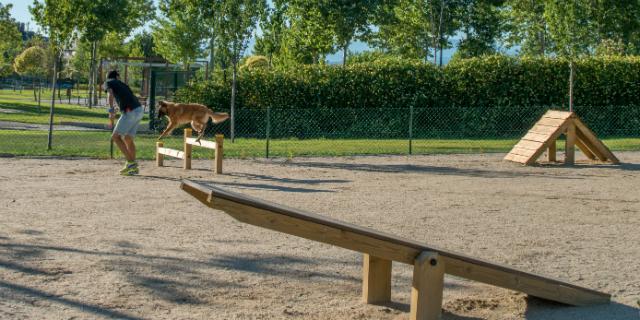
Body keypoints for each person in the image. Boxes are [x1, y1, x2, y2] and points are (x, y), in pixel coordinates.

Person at [104, 70, 144, 176]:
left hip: (130, 111)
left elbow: (110, 94)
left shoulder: (108, 82)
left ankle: (131, 163)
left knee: (116, 137)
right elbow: (126, 98)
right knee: (128, 138)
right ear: (117, 76)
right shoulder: (122, 84)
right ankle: (132, 168)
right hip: (139, 110)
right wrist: (118, 108)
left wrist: (111, 110)